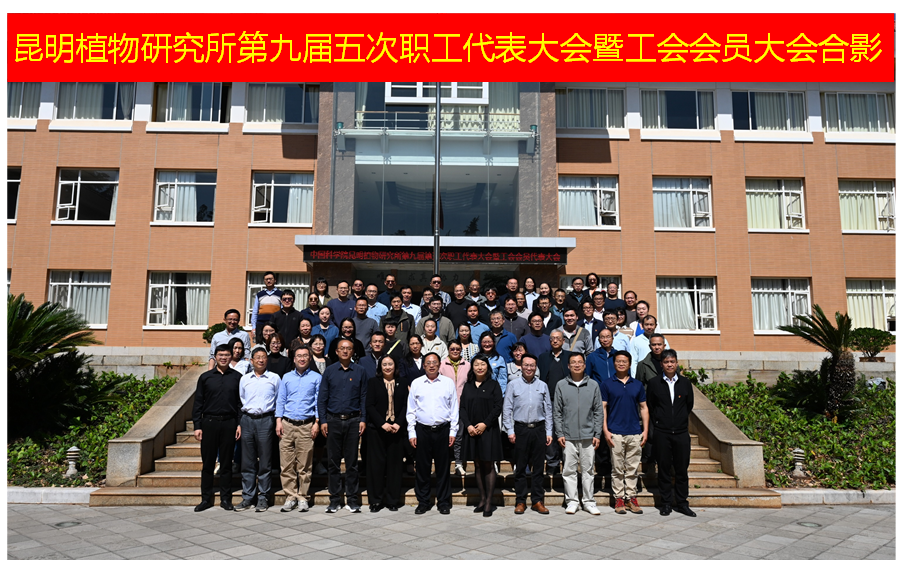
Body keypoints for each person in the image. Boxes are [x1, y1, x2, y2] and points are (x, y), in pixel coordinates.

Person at [318, 337, 369, 513]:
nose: (345, 351)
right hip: (333, 421)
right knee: (333, 462)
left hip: (353, 421)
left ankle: (352, 499)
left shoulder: (360, 371)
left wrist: (363, 419)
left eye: (348, 348)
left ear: (353, 351)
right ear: (337, 351)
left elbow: (363, 397)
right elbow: (322, 398)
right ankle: (334, 499)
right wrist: (323, 420)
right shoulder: (330, 371)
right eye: (342, 348)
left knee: (352, 462)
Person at [407, 352, 459, 515]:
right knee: (422, 468)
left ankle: (443, 502)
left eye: (434, 362)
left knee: (443, 468)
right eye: (428, 363)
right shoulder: (416, 383)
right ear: (423, 365)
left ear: (439, 365)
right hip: (422, 430)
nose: (431, 365)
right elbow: (411, 410)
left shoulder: (447, 383)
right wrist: (411, 432)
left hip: (443, 430)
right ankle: (423, 501)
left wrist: (453, 430)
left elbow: (454, 408)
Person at [646, 349, 696, 518]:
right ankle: (666, 503)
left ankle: (682, 503)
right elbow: (651, 406)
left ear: (676, 363)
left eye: (672, 362)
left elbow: (689, 405)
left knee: (681, 469)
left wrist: (679, 420)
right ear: (661, 364)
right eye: (666, 362)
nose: (669, 365)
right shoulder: (654, 383)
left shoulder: (685, 383)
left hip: (681, 433)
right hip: (662, 433)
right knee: (664, 469)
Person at [192, 344, 242, 512]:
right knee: (208, 463)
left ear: (231, 357)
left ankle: (225, 499)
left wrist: (239, 424)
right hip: (209, 423)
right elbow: (198, 403)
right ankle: (206, 499)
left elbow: (240, 404)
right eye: (220, 355)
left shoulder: (237, 377)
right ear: (215, 356)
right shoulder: (205, 377)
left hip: (229, 423)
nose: (223, 358)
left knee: (226, 463)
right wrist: (197, 425)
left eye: (227, 355)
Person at [553, 352, 604, 515]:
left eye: (580, 362)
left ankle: (589, 501)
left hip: (588, 435)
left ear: (584, 365)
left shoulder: (593, 385)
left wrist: (597, 433)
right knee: (569, 470)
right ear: (568, 366)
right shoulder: (561, 385)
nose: (576, 365)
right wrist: (560, 433)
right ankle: (572, 501)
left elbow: (598, 411)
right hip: (568, 436)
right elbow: (557, 412)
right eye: (573, 362)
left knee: (588, 470)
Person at [504, 354, 553, 515]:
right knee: (520, 468)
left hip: (539, 429)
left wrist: (549, 431)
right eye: (526, 365)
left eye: (532, 365)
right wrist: (510, 430)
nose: (529, 368)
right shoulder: (513, 385)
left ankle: (537, 501)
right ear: (521, 367)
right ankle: (521, 501)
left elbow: (548, 410)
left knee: (538, 468)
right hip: (520, 429)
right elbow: (507, 409)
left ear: (536, 367)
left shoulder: (542, 385)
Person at [601, 351, 648, 515]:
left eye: (624, 361)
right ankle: (619, 498)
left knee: (632, 468)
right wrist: (605, 430)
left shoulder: (637, 384)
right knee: (617, 468)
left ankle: (631, 498)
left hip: (634, 432)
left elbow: (644, 407)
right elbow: (603, 408)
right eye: (618, 361)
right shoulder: (607, 384)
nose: (621, 364)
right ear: (614, 363)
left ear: (629, 364)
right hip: (615, 432)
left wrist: (645, 430)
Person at [275, 345, 321, 513]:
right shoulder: (286, 377)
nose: (302, 358)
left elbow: (318, 401)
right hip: (287, 424)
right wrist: (278, 421)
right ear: (294, 359)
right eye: (299, 356)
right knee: (286, 464)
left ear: (309, 358)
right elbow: (281, 399)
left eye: (305, 356)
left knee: (304, 465)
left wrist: (317, 422)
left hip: (306, 425)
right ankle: (290, 496)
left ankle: (303, 497)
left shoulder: (316, 377)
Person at [235, 346, 281, 512]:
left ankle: (263, 496)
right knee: (247, 462)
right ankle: (248, 497)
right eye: (258, 357)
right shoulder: (245, 379)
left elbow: (279, 400)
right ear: (252, 360)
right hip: (247, 420)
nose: (261, 360)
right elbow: (241, 400)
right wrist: (240, 423)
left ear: (267, 360)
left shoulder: (274, 378)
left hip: (266, 420)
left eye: (263, 357)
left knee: (265, 462)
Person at [460, 354, 504, 517]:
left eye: (483, 364)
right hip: (472, 430)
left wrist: (485, 424)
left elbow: (498, 406)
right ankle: (482, 498)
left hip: (488, 430)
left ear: (488, 367)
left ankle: (489, 502)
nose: (480, 367)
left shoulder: (493, 385)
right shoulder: (468, 386)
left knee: (488, 464)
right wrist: (469, 425)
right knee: (477, 464)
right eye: (476, 364)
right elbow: (462, 408)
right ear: (472, 367)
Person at [366, 355, 409, 512]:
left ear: (395, 366)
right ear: (380, 367)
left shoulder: (402, 382)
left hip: (396, 429)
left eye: (390, 364)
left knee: (395, 466)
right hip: (377, 429)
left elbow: (406, 405)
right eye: (384, 364)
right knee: (375, 466)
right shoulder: (373, 382)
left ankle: (392, 500)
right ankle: (376, 500)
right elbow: (369, 405)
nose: (387, 367)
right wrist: (382, 424)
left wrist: (398, 423)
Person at [536, 330, 570, 476]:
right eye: (552, 339)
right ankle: (552, 464)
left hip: (567, 400)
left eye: (558, 338)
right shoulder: (543, 357)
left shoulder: (569, 356)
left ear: (563, 341)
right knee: (550, 432)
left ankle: (567, 462)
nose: (555, 341)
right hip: (548, 400)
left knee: (566, 431)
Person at [439, 341, 470, 476]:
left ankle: (458, 463)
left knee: (459, 436)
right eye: (452, 349)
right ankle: (444, 462)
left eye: (458, 349)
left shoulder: (467, 365)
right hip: (445, 406)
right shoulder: (442, 365)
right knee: (445, 436)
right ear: (448, 350)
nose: (455, 351)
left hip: (462, 406)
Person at [251, 272, 283, 345]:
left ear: (275, 280)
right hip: (260, 324)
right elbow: (255, 311)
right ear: (264, 281)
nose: (268, 281)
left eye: (270, 279)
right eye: (266, 279)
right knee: (260, 344)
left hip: (275, 323)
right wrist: (253, 327)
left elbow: (282, 310)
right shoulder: (259, 294)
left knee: (274, 343)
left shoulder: (280, 294)